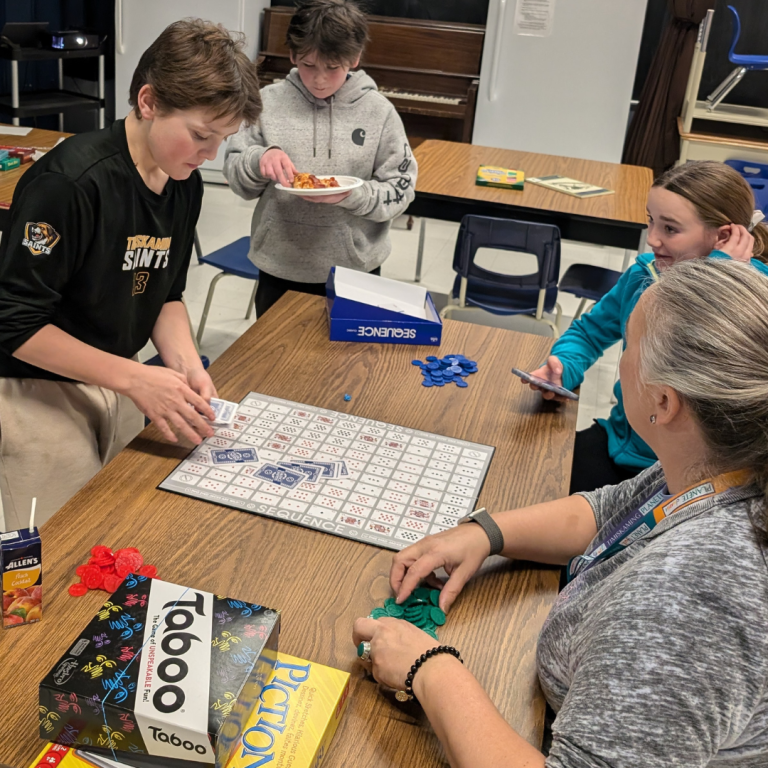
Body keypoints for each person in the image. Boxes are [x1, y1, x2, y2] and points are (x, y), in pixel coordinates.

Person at [354, 259, 768, 767]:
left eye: (628, 347)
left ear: (664, 400)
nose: (620, 359)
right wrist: (486, 532)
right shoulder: (723, 459)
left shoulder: (692, 594)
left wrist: (429, 668)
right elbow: (609, 512)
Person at [0, 20, 262, 530]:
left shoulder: (183, 181)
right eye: (201, 135)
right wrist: (137, 377)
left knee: (119, 524)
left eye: (223, 140)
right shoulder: (70, 184)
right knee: (55, 543)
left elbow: (167, 292)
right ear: (148, 101)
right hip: (36, 389)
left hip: (120, 378)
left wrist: (186, 365)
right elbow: (14, 323)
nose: (210, 155)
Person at [518, 160, 768, 495]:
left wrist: (716, 273)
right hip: (621, 443)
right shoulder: (644, 273)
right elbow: (589, 332)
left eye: (670, 229)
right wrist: (564, 366)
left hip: (698, 476)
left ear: (723, 236)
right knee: (528, 482)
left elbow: (693, 350)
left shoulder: (754, 297)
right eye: (650, 221)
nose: (652, 239)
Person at [223, 0, 417, 318]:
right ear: (293, 56)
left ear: (354, 59)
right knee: (278, 363)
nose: (320, 80)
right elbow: (236, 174)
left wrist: (354, 195)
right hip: (280, 266)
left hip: (356, 269)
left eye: (333, 68)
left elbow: (400, 187)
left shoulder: (379, 112)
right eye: (309, 65)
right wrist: (259, 160)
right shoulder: (266, 103)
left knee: (348, 365)